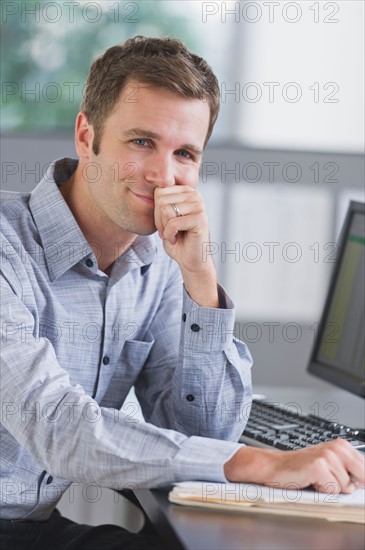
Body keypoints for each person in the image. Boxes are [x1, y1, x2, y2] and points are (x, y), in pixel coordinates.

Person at [1, 36, 363, 550]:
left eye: (185, 153)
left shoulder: (160, 263)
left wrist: (201, 279)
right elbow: (57, 426)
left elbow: (204, 430)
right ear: (87, 136)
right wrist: (262, 461)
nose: (162, 176)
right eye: (141, 142)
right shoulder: (6, 249)